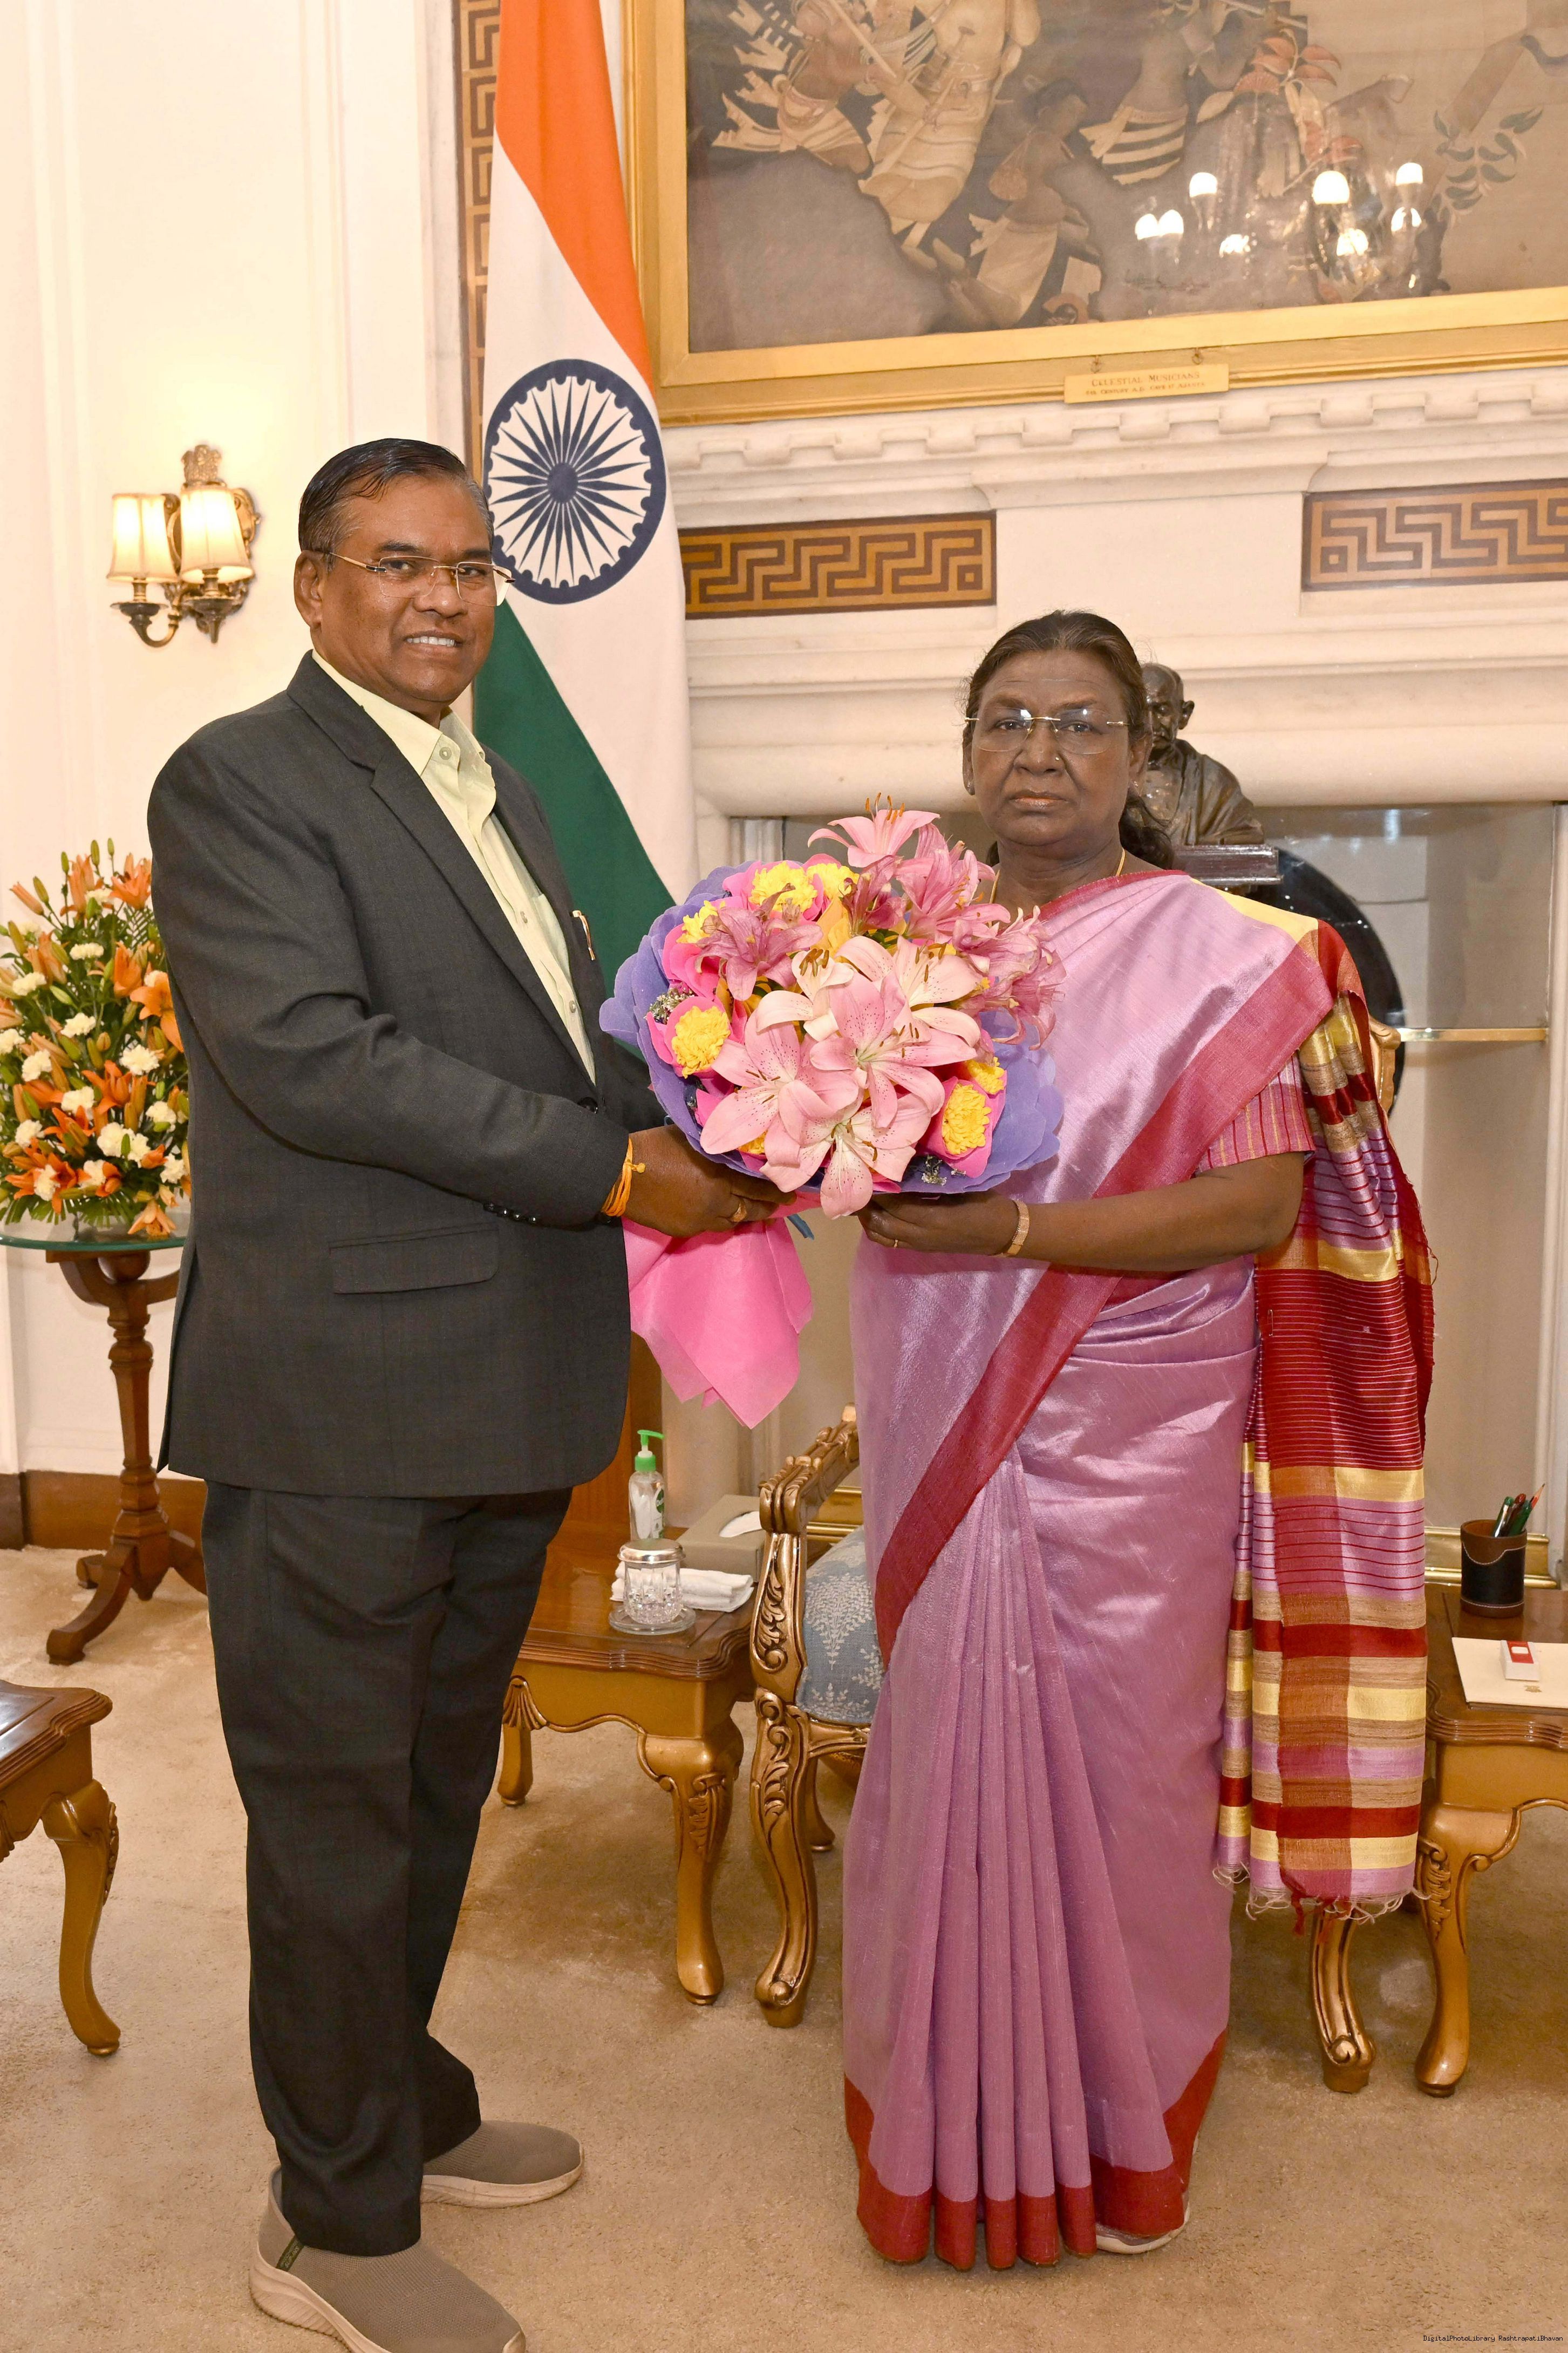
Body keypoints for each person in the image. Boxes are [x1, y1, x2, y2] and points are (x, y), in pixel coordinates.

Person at [148, 438, 781, 2353]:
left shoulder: (493, 780)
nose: (442, 597)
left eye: (471, 566)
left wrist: (753, 1113)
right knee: (335, 1818)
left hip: (501, 1386)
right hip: (338, 1404)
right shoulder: (240, 780)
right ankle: (335, 2222)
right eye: (397, 562)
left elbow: (553, 1050)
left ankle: (396, 2104)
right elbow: (317, 1060)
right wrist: (615, 1174)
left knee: (427, 1793)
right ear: (314, 588)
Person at [840, 610, 1431, 2270]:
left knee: (1123, 1769)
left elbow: (1254, 1205)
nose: (1038, 749)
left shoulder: (1223, 954)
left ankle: (1117, 2135)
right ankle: (948, 2122)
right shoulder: (892, 948)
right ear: (966, 751)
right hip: (939, 1376)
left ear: (1137, 755)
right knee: (939, 1739)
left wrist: (1020, 1236)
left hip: (1138, 1415)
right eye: (1005, 718)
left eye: (1078, 721)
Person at [1139, 660, 1264, 847]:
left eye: (1162, 711)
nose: (1152, 725)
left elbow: (1246, 837)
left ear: (1184, 715)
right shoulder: (1103, 776)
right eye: (1142, 712)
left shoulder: (1215, 783)